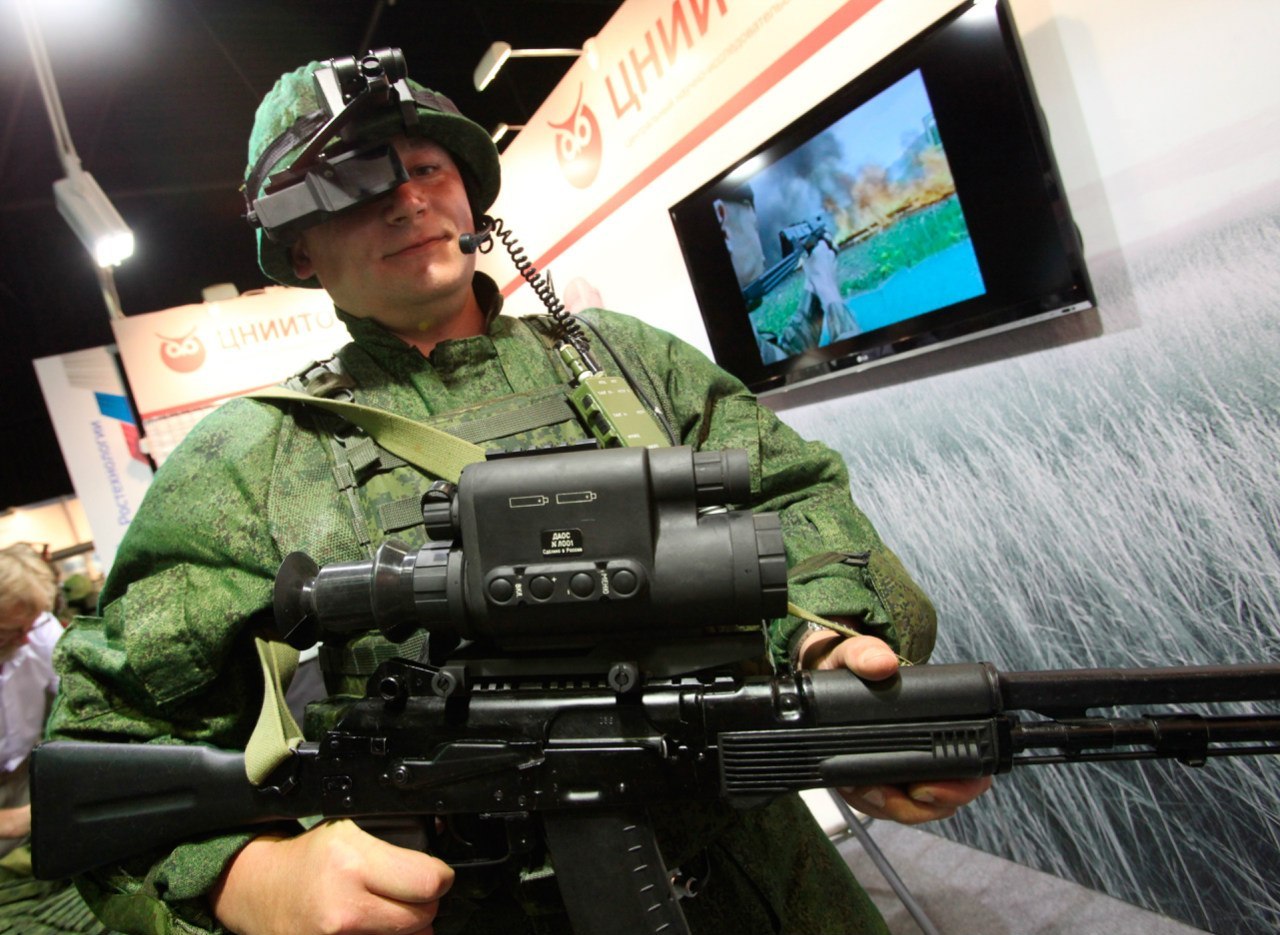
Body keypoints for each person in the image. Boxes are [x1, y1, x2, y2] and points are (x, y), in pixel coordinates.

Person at [46, 54, 989, 935]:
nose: (408, 200)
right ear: (298, 250)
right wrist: (250, 876)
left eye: (428, 167)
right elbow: (110, 741)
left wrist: (828, 656)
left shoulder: (624, 358)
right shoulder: (250, 456)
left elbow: (797, 502)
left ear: (470, 193)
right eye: (357, 185)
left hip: (762, 881)